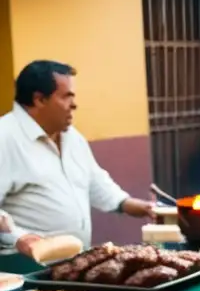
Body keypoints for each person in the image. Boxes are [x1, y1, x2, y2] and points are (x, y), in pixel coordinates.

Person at [0, 60, 154, 265]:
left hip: (74, 261)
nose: (74, 104)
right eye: (66, 96)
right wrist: (19, 238)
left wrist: (136, 206)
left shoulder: (72, 137)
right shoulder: (6, 137)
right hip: (24, 266)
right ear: (39, 99)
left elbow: (96, 182)